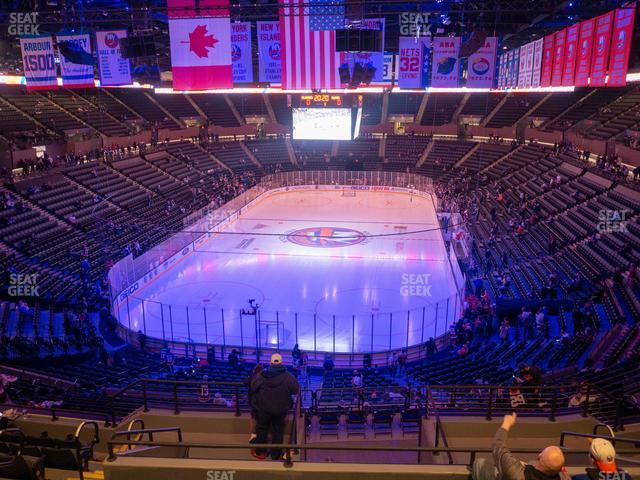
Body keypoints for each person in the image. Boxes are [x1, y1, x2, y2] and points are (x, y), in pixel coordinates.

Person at [472, 412, 570, 480]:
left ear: (539, 456)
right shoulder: (565, 478)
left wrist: (507, 423)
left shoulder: (515, 472)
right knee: (531, 463)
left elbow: (498, 444)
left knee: (480, 463)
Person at [250, 353, 300, 461]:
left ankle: (261, 452)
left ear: (270, 362)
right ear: (282, 363)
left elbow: (253, 387)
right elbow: (296, 389)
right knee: (278, 430)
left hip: (263, 408)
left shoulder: (262, 375)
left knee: (262, 428)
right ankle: (276, 454)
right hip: (280, 409)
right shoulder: (288, 376)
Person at [244, 364, 264, 443]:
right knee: (262, 419)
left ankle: (253, 436)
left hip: (253, 402)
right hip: (262, 401)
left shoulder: (252, 376)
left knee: (254, 418)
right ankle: (261, 436)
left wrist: (251, 375)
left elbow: (245, 382)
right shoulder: (264, 377)